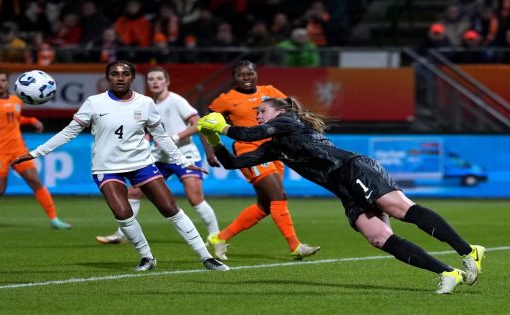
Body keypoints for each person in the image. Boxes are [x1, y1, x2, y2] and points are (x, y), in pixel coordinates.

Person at [197, 97, 485, 294]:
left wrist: (220, 125)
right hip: (342, 188)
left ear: (279, 112)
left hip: (353, 168)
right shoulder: (276, 145)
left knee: (399, 209)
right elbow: (234, 162)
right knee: (377, 237)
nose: (258, 114)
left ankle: (468, 251)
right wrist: (213, 140)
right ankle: (448, 273)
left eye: (262, 111)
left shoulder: (290, 121)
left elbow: (248, 134)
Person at [12, 60, 228, 272]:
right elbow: (68, 132)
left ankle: (207, 258)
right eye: (115, 74)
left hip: (141, 164)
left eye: (125, 74)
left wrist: (183, 162)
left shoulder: (144, 103)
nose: (120, 77)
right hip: (106, 167)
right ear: (107, 78)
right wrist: (36, 153)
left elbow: (161, 137)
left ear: (132, 78)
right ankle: (147, 257)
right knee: (122, 212)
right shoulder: (94, 102)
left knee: (169, 208)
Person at [204, 60, 320, 261]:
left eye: (249, 74)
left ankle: (219, 238)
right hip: (249, 150)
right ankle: (296, 246)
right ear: (234, 78)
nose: (246, 78)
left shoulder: (270, 91)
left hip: (274, 150)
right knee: (278, 195)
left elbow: (290, 110)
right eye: (241, 75)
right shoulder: (226, 99)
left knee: (266, 205)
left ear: (256, 74)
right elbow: (205, 124)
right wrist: (210, 150)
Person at [95, 65, 220, 244]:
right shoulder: (147, 103)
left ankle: (215, 236)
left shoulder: (176, 100)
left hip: (184, 154)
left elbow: (197, 123)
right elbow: (147, 129)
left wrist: (175, 137)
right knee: (134, 193)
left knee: (195, 198)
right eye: (151, 79)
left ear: (167, 82)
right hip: (159, 157)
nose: (155, 82)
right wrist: (144, 142)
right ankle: (121, 235)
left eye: (159, 79)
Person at [0, 71, 71, 230]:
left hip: (17, 148)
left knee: (35, 180)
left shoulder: (16, 99)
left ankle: (54, 219)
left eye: (3, 80)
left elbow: (14, 119)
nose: (0, 83)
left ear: (8, 83)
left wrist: (31, 120)